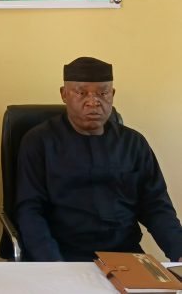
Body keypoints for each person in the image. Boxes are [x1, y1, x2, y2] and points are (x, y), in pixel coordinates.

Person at [16, 56, 182, 261]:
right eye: (81, 93)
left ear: (112, 94)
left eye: (103, 93)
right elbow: (30, 210)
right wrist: (53, 265)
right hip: (63, 254)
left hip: (124, 255)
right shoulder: (39, 141)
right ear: (64, 94)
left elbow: (156, 205)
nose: (93, 102)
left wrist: (179, 251)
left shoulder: (133, 143)